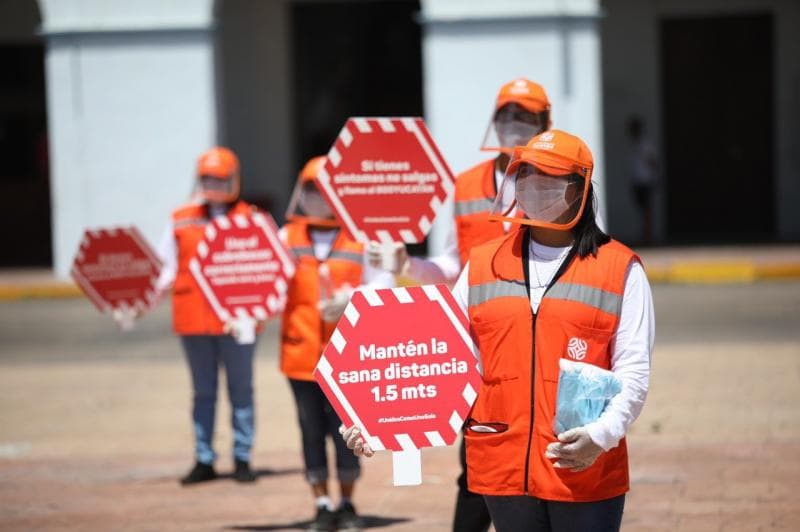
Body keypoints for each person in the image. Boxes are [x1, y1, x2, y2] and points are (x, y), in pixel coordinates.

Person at [346, 130, 654, 532]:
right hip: (503, 470)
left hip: (585, 470)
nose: (535, 187)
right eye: (526, 176)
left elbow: (633, 372)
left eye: (550, 179)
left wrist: (602, 435)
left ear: (579, 190)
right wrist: (380, 422)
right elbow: (437, 358)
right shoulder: (483, 263)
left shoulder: (620, 269)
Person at [367, 77, 552, 532]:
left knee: (542, 458)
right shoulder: (468, 185)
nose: (514, 125)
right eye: (507, 115)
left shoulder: (559, 178)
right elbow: (451, 264)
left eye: (525, 116)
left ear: (545, 123)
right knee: (477, 459)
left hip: (543, 344)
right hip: (478, 346)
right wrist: (406, 264)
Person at [280, 156, 394, 532]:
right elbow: (262, 283)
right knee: (309, 430)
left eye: (325, 188)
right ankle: (321, 505)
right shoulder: (286, 237)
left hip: (348, 357)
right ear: (302, 191)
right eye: (312, 189)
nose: (318, 197)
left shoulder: (362, 236)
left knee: (347, 431)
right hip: (300, 354)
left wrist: (353, 298)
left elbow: (385, 284)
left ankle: (347, 502)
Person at [154, 146, 260, 485]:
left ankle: (242, 457)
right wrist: (138, 295)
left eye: (221, 178)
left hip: (237, 321)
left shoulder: (252, 218)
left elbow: (268, 267)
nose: (214, 185)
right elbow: (163, 268)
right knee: (203, 391)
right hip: (193, 317)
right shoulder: (182, 217)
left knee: (241, 389)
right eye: (208, 179)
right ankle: (204, 458)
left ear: (234, 180)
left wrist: (261, 309)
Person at [626, 115, 658, 244]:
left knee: (647, 209)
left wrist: (654, 177)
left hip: (646, 180)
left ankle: (648, 236)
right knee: (642, 209)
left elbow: (653, 161)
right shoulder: (636, 144)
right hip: (638, 181)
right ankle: (645, 234)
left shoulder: (645, 143)